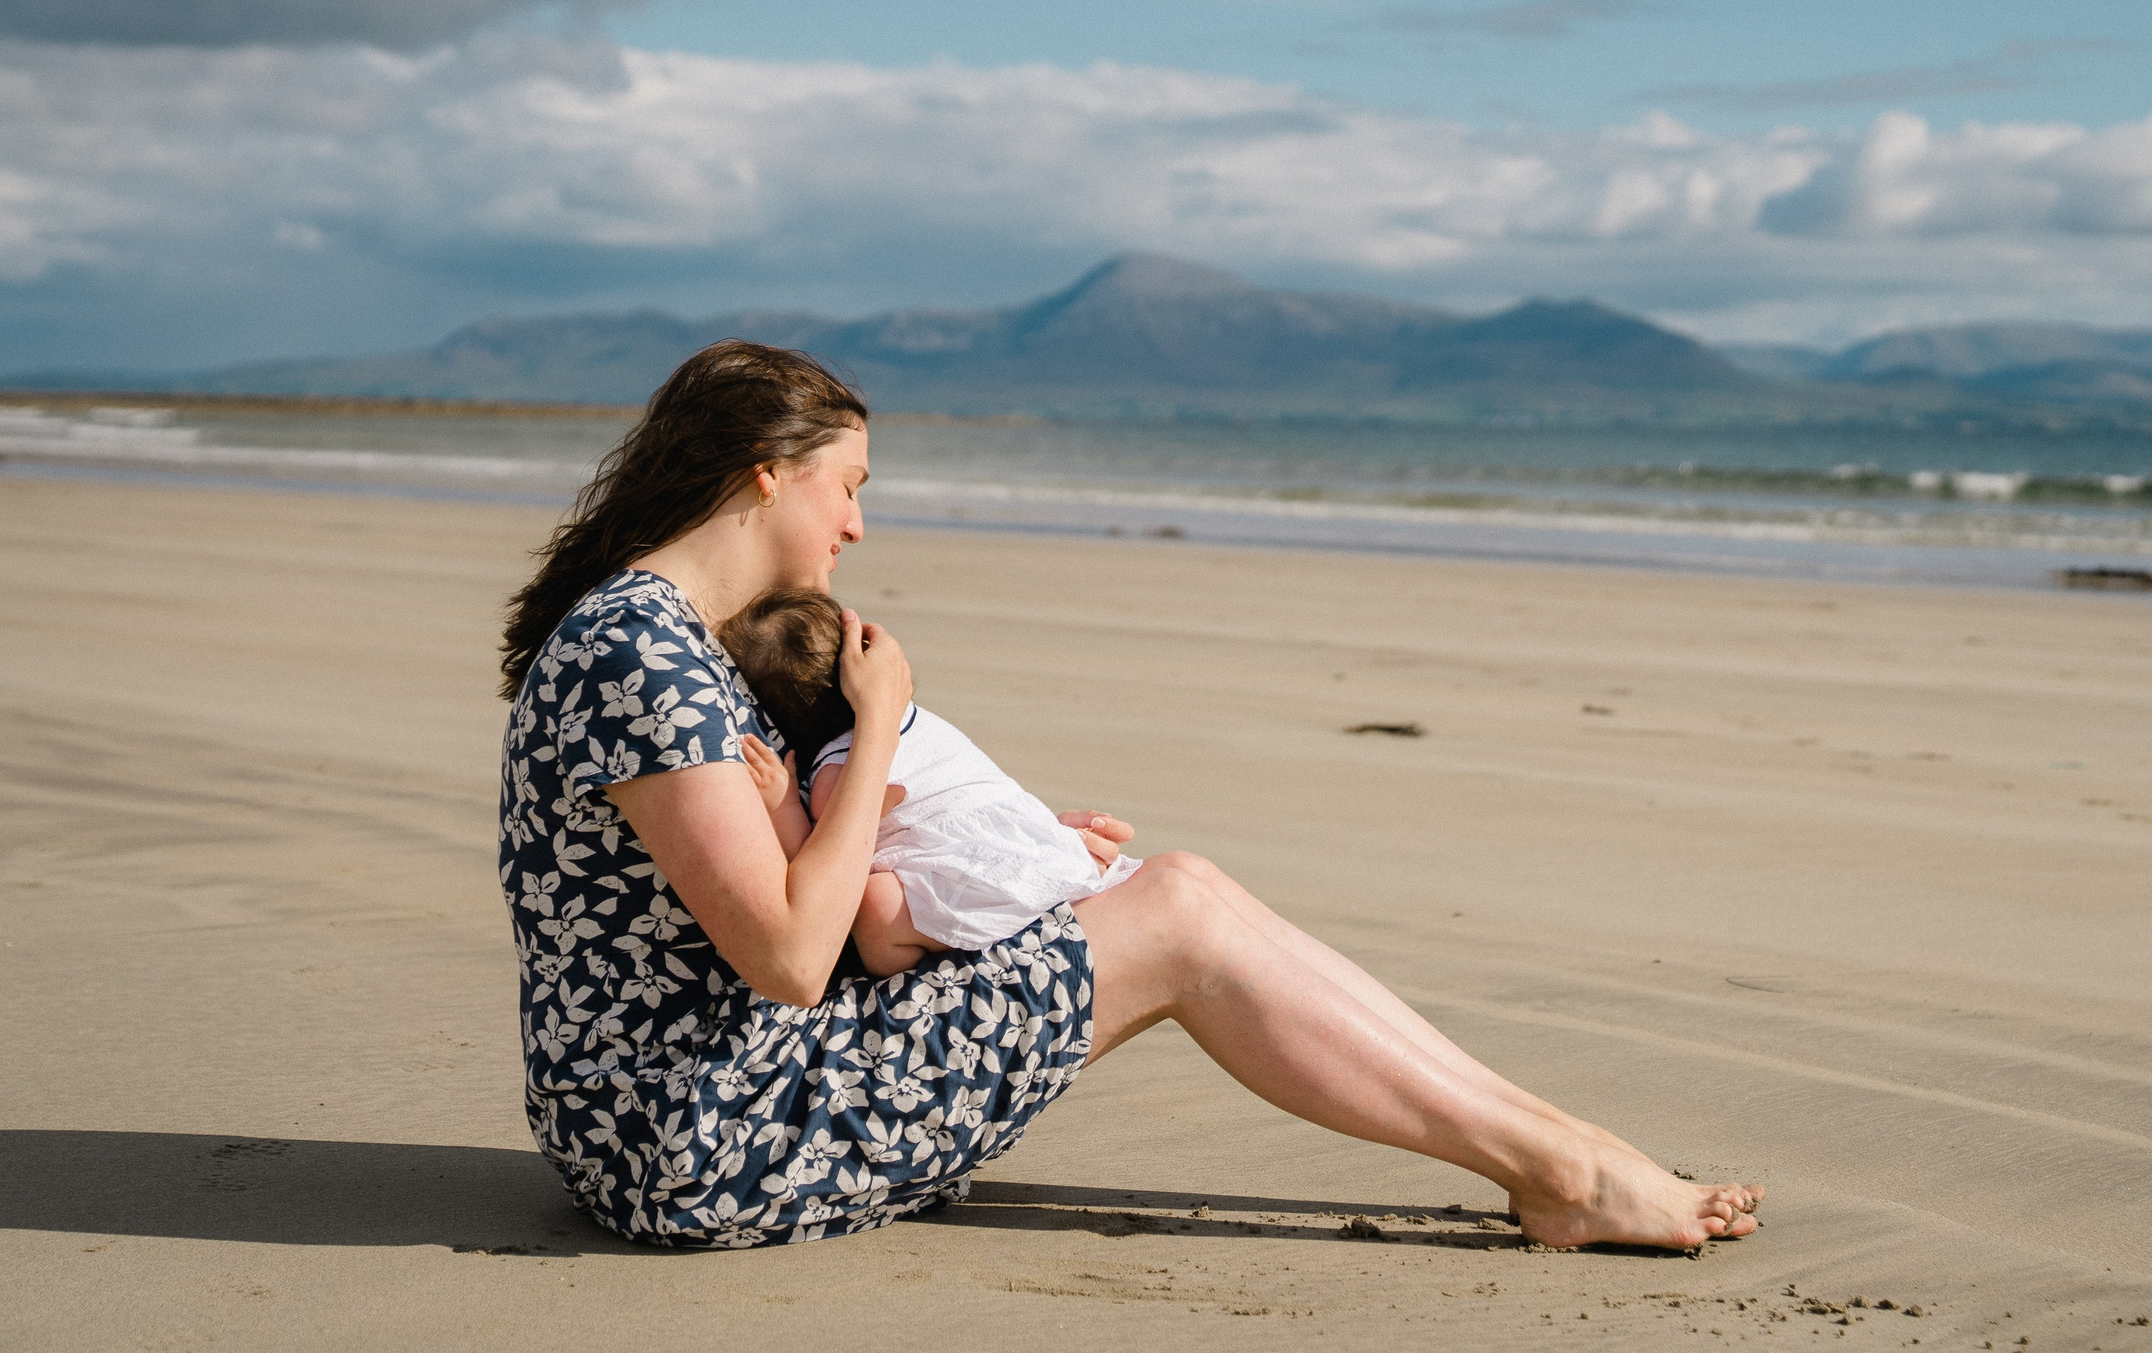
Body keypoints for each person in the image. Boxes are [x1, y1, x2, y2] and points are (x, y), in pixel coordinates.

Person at [498, 338, 1763, 1250]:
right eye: (851, 486)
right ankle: (1564, 1171)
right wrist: (877, 733)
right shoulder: (640, 650)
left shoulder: (663, 637)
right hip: (710, 1141)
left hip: (702, 1106)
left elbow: (800, 916)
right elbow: (784, 953)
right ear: (766, 471)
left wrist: (986, 852)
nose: (858, 528)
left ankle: (1562, 1151)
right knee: (1182, 920)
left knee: (1185, 888)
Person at [715, 587, 1139, 976]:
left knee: (876, 907)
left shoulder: (836, 772)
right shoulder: (912, 717)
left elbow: (820, 854)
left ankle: (912, 974)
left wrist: (783, 804)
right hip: (1031, 842)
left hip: (971, 871)